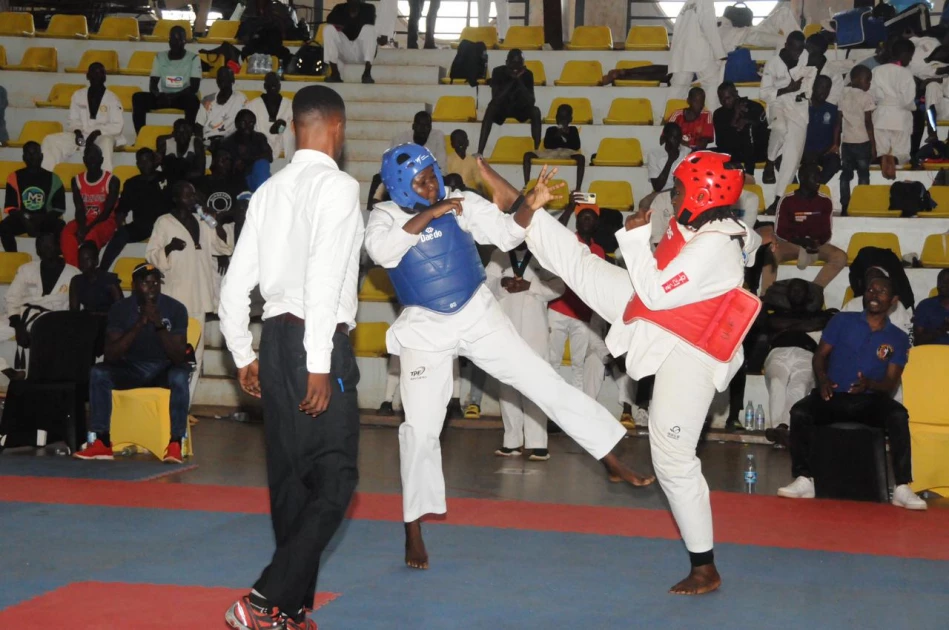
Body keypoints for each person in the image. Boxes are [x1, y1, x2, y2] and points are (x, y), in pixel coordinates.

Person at [363, 144, 653, 571]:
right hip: (425, 328)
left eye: (433, 176)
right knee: (421, 428)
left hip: (477, 312)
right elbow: (384, 253)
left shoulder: (460, 204)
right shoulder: (384, 217)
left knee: (540, 377)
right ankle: (412, 527)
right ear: (401, 188)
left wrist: (529, 207)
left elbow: (506, 234)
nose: (432, 186)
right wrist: (436, 210)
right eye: (421, 182)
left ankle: (608, 456)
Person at [506, 150, 764, 594]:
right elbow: (742, 243)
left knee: (673, 459)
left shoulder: (716, 245)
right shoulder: (712, 226)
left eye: (682, 188)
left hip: (691, 350)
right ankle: (524, 212)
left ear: (704, 194)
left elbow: (658, 290)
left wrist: (636, 234)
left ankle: (705, 566)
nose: (676, 195)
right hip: (656, 318)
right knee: (581, 267)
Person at [218, 86, 363, 630]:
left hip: (274, 341)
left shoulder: (270, 191)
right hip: (313, 340)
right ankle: (262, 600)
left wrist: (242, 353)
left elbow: (235, 287)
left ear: (295, 128)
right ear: (337, 128)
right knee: (336, 479)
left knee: (290, 484)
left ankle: (288, 611)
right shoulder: (340, 188)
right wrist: (320, 363)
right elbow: (324, 280)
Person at [776, 276, 927, 511]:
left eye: (882, 291)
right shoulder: (842, 321)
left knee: (898, 415)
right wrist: (823, 380)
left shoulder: (897, 337)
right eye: (870, 289)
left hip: (870, 400)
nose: (874, 294)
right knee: (800, 412)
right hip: (834, 395)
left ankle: (901, 487)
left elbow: (890, 383)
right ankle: (805, 479)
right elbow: (819, 356)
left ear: (894, 300)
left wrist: (870, 385)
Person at [75, 262, 191, 464]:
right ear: (134, 284)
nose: (152, 287)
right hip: (131, 368)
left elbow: (179, 357)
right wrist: (139, 323)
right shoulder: (120, 309)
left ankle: (175, 443)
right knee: (99, 373)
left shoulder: (176, 309)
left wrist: (157, 324)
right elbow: (111, 354)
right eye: (146, 283)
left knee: (180, 374)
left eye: (156, 282)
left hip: (164, 368)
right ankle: (102, 442)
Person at [146, 180, 233, 400]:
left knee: (196, 355)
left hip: (199, 297)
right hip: (175, 297)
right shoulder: (164, 223)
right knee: (172, 353)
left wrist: (214, 221)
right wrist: (170, 248)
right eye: (187, 196)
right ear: (176, 198)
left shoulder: (202, 221)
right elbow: (152, 255)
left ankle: (185, 408)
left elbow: (224, 246)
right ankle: (167, 403)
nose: (191, 200)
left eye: (193, 195)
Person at [485, 242, 564, 459]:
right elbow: (485, 285)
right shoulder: (498, 254)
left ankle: (538, 443)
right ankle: (511, 441)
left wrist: (531, 287)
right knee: (507, 385)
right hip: (505, 329)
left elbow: (560, 286)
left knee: (536, 386)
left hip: (534, 331)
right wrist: (501, 283)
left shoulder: (542, 252)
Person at [761, 278, 834, 434]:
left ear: (808, 295)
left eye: (800, 289)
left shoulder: (820, 314)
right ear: (787, 294)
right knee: (776, 382)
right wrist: (806, 324)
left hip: (806, 354)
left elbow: (823, 320)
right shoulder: (777, 312)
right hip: (778, 352)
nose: (796, 292)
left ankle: (786, 429)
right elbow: (773, 323)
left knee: (799, 385)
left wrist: (788, 326)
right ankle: (778, 430)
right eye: (792, 290)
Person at [761, 163, 847, 292]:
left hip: (816, 245)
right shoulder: (787, 200)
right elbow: (780, 230)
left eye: (819, 177)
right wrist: (799, 240)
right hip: (792, 243)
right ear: (802, 177)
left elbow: (826, 232)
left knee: (840, 257)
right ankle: (766, 295)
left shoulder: (825, 201)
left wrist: (816, 242)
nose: (818, 180)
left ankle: (814, 290)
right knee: (770, 253)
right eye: (814, 177)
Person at [760, 33, 824, 201]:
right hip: (778, 101)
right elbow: (763, 93)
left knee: (793, 155)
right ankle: (770, 160)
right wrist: (787, 89)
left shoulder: (805, 56)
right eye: (794, 49)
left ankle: (779, 198)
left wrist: (806, 93)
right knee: (780, 127)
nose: (797, 52)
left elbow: (812, 72)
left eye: (800, 49)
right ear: (786, 45)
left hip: (799, 105)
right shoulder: (773, 63)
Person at [547, 205, 603, 390]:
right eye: (583, 217)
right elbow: (553, 232)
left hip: (582, 316)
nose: (586, 220)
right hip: (558, 308)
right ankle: (550, 408)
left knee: (579, 364)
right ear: (577, 221)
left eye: (591, 217)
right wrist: (570, 207)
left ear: (596, 223)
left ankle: (575, 412)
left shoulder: (599, 251)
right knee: (552, 361)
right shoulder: (567, 240)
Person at [2, 232, 80, 353]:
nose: (45, 248)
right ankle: (4, 368)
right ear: (37, 250)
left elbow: (74, 310)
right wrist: (18, 327)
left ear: (58, 247)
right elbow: (12, 299)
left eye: (49, 244)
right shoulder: (26, 269)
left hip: (53, 321)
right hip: (21, 318)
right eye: (41, 245)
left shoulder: (74, 274)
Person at [40, 62, 125, 173]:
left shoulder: (112, 99)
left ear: (105, 77)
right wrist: (77, 132)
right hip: (81, 136)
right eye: (93, 73)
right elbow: (73, 120)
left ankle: (104, 181)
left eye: (100, 73)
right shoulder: (78, 95)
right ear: (87, 76)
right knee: (50, 140)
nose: (96, 76)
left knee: (106, 143)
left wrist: (97, 133)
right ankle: (46, 178)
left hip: (102, 136)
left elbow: (117, 126)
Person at [99, 148, 171, 271]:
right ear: (137, 164)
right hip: (141, 226)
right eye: (141, 162)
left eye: (148, 161)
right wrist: (121, 226)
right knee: (120, 234)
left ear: (154, 162)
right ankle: (102, 270)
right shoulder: (131, 183)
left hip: (165, 225)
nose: (145, 164)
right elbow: (122, 209)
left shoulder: (166, 178)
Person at [131, 25, 202, 133]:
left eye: (178, 40)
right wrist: (158, 95)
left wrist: (173, 96)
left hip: (182, 97)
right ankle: (141, 135)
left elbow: (194, 87)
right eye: (172, 39)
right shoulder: (160, 57)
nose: (174, 43)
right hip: (163, 97)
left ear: (184, 42)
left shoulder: (193, 58)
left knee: (193, 100)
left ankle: (188, 136)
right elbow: (153, 84)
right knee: (138, 98)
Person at [368, 111, 446, 206]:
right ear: (413, 126)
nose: (423, 129)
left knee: (452, 179)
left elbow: (441, 166)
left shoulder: (437, 137)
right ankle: (371, 210)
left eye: (427, 126)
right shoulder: (400, 139)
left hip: (429, 177)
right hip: (404, 177)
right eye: (420, 125)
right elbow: (391, 167)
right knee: (378, 178)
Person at [60, 144, 120, 268]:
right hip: (85, 219)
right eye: (89, 158)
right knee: (67, 233)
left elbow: (107, 212)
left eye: (95, 158)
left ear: (101, 160)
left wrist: (87, 229)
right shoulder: (76, 180)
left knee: (91, 235)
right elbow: (79, 208)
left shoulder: (112, 180)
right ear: (84, 160)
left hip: (106, 221)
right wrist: (82, 226)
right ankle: (72, 269)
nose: (92, 161)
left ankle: (88, 269)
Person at [1, 142, 65, 252]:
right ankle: (13, 258)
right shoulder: (14, 177)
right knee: (4, 227)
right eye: (28, 154)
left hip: (45, 218)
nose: (32, 157)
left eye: (35, 153)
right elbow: (11, 207)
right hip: (22, 219)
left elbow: (59, 208)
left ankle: (55, 259)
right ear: (23, 157)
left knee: (61, 226)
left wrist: (41, 219)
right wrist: (26, 220)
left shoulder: (54, 178)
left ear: (41, 156)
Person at [478, 49, 541, 155]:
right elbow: (496, 99)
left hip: (520, 109)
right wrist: (513, 80)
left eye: (519, 62)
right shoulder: (498, 72)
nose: (516, 65)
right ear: (507, 62)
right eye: (513, 62)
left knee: (536, 111)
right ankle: (480, 151)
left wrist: (519, 80)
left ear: (523, 63)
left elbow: (531, 101)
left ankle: (537, 150)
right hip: (503, 108)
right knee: (491, 109)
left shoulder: (527, 74)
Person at [668, 0, 728, 111]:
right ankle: (711, 118)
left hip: (682, 53)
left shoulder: (687, 4)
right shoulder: (706, 2)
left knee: (678, 88)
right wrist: (720, 53)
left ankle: (668, 118)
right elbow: (710, 29)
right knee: (711, 84)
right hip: (699, 50)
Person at [871, 38, 917, 179]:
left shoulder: (876, 70)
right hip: (900, 116)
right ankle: (894, 161)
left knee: (881, 148)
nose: (909, 60)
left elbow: (873, 94)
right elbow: (908, 100)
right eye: (910, 56)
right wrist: (912, 108)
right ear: (904, 54)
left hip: (881, 115)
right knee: (901, 151)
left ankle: (883, 159)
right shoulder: (905, 73)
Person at [838, 65, 876, 213]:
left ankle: (845, 204)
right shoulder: (866, 97)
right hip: (862, 142)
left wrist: (837, 142)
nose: (869, 84)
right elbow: (868, 123)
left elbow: (838, 123)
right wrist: (873, 145)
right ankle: (862, 203)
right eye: (867, 81)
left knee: (845, 175)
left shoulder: (843, 94)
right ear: (857, 80)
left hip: (847, 143)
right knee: (864, 174)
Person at [523, 103, 585, 188]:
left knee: (581, 158)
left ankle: (578, 188)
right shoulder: (551, 130)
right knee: (527, 155)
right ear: (556, 118)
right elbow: (547, 145)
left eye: (565, 118)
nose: (562, 120)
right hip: (550, 152)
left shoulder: (573, 130)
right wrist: (557, 134)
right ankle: (526, 184)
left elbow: (576, 146)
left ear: (570, 119)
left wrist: (565, 134)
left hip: (568, 153)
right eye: (560, 117)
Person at [713, 82, 770, 175]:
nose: (725, 102)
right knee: (701, 153)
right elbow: (721, 142)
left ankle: (749, 174)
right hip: (732, 152)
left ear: (736, 94)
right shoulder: (719, 114)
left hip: (757, 152)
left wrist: (748, 122)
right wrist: (735, 116)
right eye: (721, 99)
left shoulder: (754, 107)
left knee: (747, 128)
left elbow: (765, 133)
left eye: (728, 98)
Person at [842, 266, 913, 334]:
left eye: (877, 276)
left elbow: (906, 333)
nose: (873, 280)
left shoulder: (898, 306)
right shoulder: (852, 304)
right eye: (869, 277)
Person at [219, 109, 274, 193]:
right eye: (243, 123)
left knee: (262, 164)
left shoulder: (259, 137)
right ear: (237, 124)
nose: (248, 126)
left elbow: (269, 157)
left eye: (251, 123)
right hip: (238, 180)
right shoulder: (228, 142)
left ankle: (261, 196)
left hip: (257, 176)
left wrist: (248, 159)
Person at [324, 0, 377, 84]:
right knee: (328, 29)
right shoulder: (339, 8)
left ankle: (367, 73)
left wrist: (343, 25)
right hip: (345, 49)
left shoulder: (369, 8)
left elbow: (369, 21)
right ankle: (335, 74)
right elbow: (329, 20)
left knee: (369, 29)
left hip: (361, 52)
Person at [246, 72, 295, 160]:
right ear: (265, 86)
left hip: (282, 141)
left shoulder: (289, 104)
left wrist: (281, 128)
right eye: (270, 83)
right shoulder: (253, 105)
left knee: (288, 127)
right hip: (260, 143)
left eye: (275, 83)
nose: (273, 85)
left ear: (279, 86)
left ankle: (291, 161)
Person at [641, 123, 691, 209]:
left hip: (683, 191)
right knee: (644, 204)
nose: (676, 141)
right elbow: (657, 187)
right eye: (672, 137)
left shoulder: (687, 152)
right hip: (663, 192)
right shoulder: (654, 154)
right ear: (665, 137)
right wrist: (670, 160)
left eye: (678, 137)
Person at [802, 75, 841, 183]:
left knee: (835, 162)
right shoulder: (802, 107)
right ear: (813, 87)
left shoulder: (833, 109)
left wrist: (836, 143)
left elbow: (838, 127)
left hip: (824, 152)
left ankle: (818, 184)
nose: (825, 91)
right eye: (821, 87)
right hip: (804, 153)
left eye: (828, 88)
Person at [195, 67, 247, 145]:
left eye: (226, 77)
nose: (222, 79)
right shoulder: (207, 100)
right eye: (219, 77)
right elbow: (199, 125)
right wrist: (199, 142)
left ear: (233, 80)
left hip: (229, 141)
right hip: (208, 141)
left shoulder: (240, 98)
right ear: (217, 81)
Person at [70, 242, 121, 314]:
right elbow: (74, 312)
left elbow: (121, 309)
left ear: (96, 261)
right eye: (80, 259)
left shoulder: (109, 280)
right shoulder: (76, 281)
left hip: (109, 321)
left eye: (87, 259)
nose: (82, 263)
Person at [157, 119, 206, 185]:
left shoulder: (196, 143)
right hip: (170, 183)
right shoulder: (165, 143)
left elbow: (200, 172)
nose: (183, 135)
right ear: (174, 133)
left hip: (189, 183)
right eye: (179, 132)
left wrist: (178, 176)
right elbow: (154, 166)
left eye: (186, 132)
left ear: (191, 134)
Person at [913, 268, 949, 345]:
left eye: (947, 282)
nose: (942, 285)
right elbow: (917, 341)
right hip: (931, 355)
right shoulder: (925, 306)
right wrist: (942, 329)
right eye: (940, 282)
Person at [445, 130, 487, 196]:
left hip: (470, 193)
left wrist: (483, 194)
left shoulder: (472, 160)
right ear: (452, 144)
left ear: (467, 142)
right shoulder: (448, 160)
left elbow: (478, 181)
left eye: (463, 139)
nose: (460, 142)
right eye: (457, 140)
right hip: (454, 193)